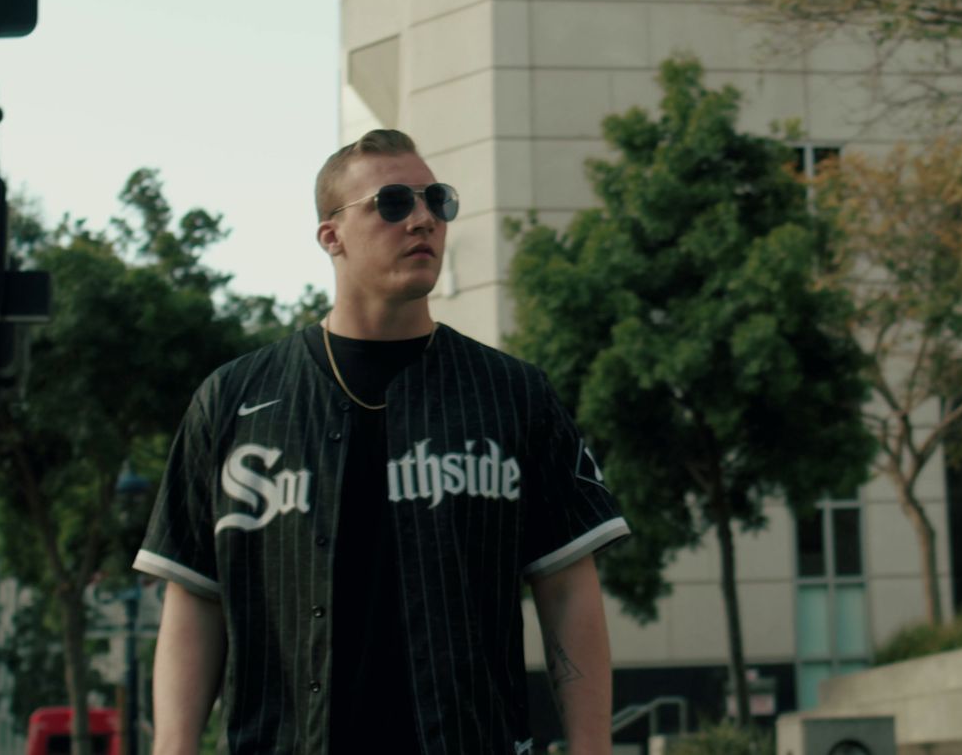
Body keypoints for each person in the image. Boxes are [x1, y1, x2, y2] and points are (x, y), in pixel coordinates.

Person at [134, 129, 630, 755]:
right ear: (331, 235)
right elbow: (195, 598)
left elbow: (568, 589)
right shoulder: (234, 399)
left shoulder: (512, 394)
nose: (423, 218)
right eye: (393, 203)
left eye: (436, 200)